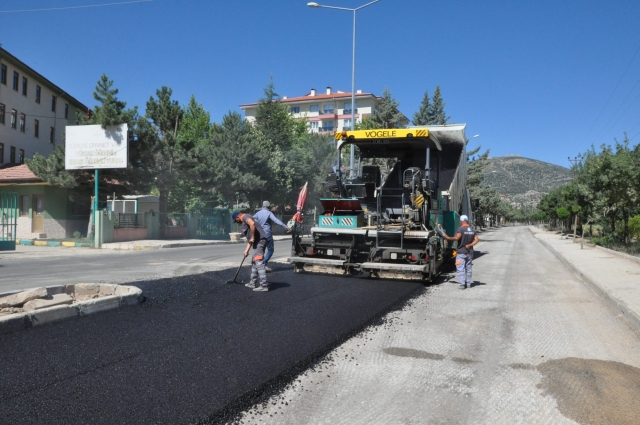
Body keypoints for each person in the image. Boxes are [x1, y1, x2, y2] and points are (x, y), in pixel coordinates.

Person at [232, 210, 269, 292]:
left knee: (258, 260)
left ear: (238, 217)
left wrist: (252, 236)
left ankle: (264, 285)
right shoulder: (246, 219)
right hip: (257, 241)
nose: (237, 222)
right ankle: (252, 282)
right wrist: (246, 250)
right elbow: (250, 240)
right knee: (254, 261)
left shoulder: (245, 217)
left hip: (260, 241)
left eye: (236, 220)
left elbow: (252, 223)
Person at [443, 215, 479, 289]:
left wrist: (448, 237)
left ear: (461, 221)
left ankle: (462, 284)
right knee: (469, 268)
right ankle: (468, 284)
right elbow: (477, 240)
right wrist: (470, 245)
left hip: (461, 253)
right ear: (467, 221)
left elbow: (457, 238)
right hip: (470, 253)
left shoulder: (461, 229)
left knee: (460, 268)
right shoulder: (472, 229)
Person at [253, 201, 290, 271]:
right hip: (267, 234)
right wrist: (285, 226)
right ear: (268, 207)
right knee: (270, 250)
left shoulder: (257, 213)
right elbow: (276, 220)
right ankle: (263, 263)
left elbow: (251, 220)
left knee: (262, 250)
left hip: (260, 234)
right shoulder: (269, 213)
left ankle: (259, 265)